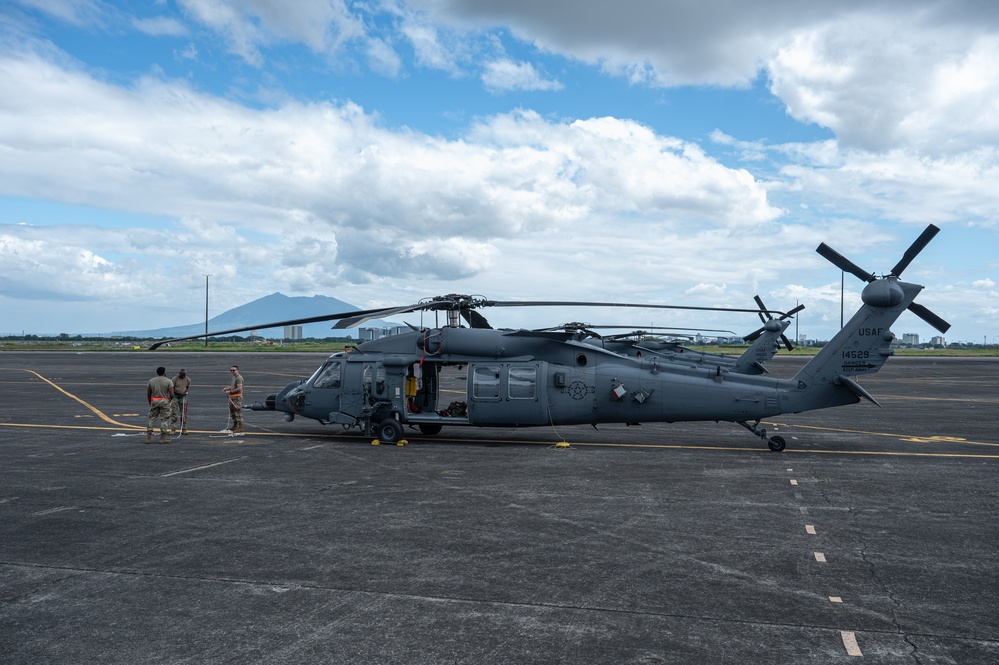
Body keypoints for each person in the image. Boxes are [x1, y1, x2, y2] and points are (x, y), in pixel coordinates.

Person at [146, 366, 174, 444]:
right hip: (164, 401)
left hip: (154, 401)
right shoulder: (169, 381)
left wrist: (150, 402)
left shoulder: (151, 381)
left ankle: (148, 437)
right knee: (164, 419)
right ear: (164, 372)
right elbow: (172, 394)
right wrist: (169, 401)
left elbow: (148, 393)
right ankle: (162, 438)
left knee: (152, 418)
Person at [170, 368, 192, 435]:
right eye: (182, 375)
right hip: (175, 397)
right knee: (174, 413)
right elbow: (172, 388)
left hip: (183, 398)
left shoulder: (188, 379)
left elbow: (187, 387)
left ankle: (184, 428)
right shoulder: (174, 379)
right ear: (179, 374)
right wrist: (179, 393)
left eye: (184, 375)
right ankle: (173, 429)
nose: (183, 376)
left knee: (183, 414)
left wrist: (185, 392)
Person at [223, 364, 244, 433]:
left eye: (233, 370)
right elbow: (233, 386)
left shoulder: (238, 378)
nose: (232, 371)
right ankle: (235, 425)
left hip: (237, 398)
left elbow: (239, 388)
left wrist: (230, 392)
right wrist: (227, 388)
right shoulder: (234, 377)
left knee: (237, 412)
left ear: (237, 370)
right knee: (233, 413)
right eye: (231, 370)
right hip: (232, 397)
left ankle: (240, 427)